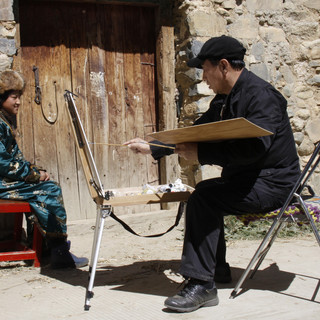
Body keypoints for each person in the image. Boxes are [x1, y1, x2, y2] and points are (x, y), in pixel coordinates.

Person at [124, 35, 301, 312]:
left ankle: (201, 284)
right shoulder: (224, 99)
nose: (203, 77)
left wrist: (202, 154)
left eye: (205, 69)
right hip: (247, 180)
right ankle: (215, 270)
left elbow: (255, 149)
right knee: (206, 193)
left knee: (204, 198)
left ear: (223, 66)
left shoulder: (262, 97)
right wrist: (155, 147)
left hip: (274, 184)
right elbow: (197, 132)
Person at [0, 70, 88, 269]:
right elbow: (3, 163)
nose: (18, 102)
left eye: (19, 97)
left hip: (4, 181)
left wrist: (35, 171)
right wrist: (33, 175)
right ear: (2, 97)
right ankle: (59, 251)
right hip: (1, 183)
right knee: (50, 190)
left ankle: (47, 248)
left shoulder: (4, 121)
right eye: (14, 97)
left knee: (42, 187)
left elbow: (15, 158)